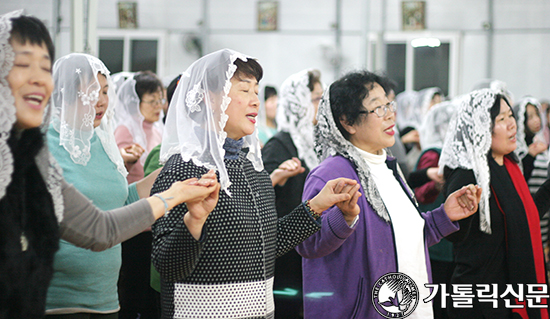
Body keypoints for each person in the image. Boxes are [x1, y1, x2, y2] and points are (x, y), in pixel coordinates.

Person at [0, 10, 219, 319]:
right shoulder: (39, 146)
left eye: (105, 92)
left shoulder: (99, 142)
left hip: (104, 298)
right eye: (91, 92)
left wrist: (172, 175)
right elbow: (97, 228)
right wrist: (174, 195)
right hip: (53, 301)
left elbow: (118, 204)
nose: (101, 101)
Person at [150, 48, 360, 319]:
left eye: (256, 92)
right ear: (209, 99)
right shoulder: (182, 168)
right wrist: (195, 221)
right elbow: (167, 266)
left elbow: (267, 242)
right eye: (244, 90)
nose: (255, 102)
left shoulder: (251, 167)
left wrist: (317, 206)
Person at [295, 70, 481, 319]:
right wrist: (345, 217)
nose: (390, 114)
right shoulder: (331, 173)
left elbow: (401, 240)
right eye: (378, 108)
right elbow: (308, 244)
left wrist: (443, 216)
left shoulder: (387, 166)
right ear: (348, 122)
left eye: (389, 104)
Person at [440, 89, 550, 318]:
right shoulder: (467, 175)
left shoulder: (508, 166)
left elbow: (524, 216)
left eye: (511, 116)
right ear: (480, 126)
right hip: (481, 303)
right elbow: (454, 235)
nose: (512, 125)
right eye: (501, 119)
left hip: (508, 297)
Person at [261, 69, 322, 318]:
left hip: (312, 243)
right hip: (287, 251)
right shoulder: (280, 144)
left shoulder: (315, 142)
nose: (322, 105)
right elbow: (261, 194)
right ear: (300, 104)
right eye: (317, 99)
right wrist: (278, 176)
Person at [414, 99, 459, 319]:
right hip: (434, 235)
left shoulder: (451, 152)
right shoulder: (433, 152)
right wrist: (438, 182)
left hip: (443, 231)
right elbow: (420, 193)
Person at [115, 71, 164, 184]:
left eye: (160, 100)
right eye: (152, 101)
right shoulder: (125, 130)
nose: (158, 106)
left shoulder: (157, 130)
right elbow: (117, 166)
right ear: (135, 103)